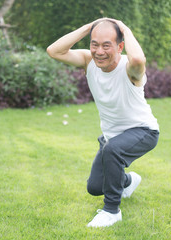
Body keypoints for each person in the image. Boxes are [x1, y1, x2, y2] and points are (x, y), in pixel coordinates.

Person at [46, 18, 159, 227]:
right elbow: (54, 51)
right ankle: (128, 181)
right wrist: (90, 28)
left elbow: (138, 60)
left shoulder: (129, 68)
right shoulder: (89, 61)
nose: (99, 51)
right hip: (111, 137)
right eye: (94, 44)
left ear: (120, 46)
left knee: (112, 150)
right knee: (95, 187)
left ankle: (111, 211)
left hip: (143, 131)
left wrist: (125, 28)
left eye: (106, 45)